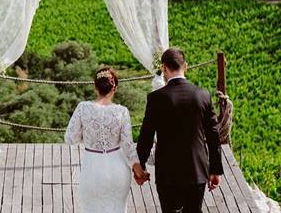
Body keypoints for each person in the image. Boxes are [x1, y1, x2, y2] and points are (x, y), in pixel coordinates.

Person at [133, 48, 224, 213]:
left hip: (167, 172)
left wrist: (141, 166)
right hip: (197, 170)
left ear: (164, 68)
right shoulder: (202, 95)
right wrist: (215, 169)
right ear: (186, 67)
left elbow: (146, 135)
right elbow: (213, 134)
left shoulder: (156, 98)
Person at [64, 67, 138, 213]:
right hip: (118, 169)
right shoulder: (122, 111)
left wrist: (87, 133)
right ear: (114, 88)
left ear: (95, 87)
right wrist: (139, 170)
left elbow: (70, 138)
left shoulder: (83, 108)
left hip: (92, 169)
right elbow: (128, 146)